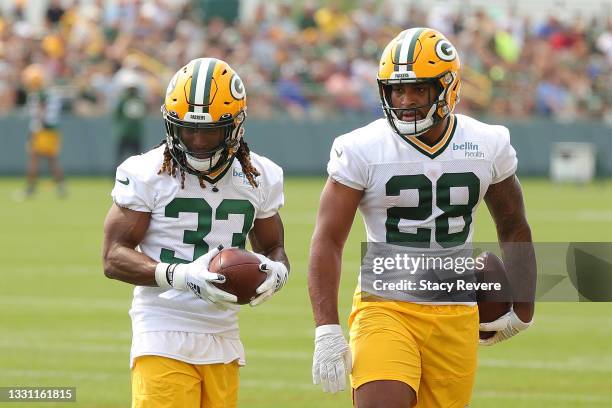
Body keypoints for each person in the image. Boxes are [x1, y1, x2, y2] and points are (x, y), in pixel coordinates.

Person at [308, 27, 536, 407]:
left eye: (419, 88)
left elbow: (513, 224)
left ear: (448, 88)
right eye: (397, 90)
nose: (406, 99)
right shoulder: (361, 148)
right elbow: (328, 239)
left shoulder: (487, 143)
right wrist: (327, 329)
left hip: (456, 314)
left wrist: (523, 311)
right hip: (385, 307)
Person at [102, 57, 289, 408]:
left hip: (223, 334)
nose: (198, 141)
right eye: (188, 129)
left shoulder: (260, 175)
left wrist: (278, 272)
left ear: (235, 126)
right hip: (161, 330)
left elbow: (274, 245)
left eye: (210, 130)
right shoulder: (146, 171)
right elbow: (113, 257)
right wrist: (180, 275)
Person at [19, 63, 66, 199]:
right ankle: (61, 187)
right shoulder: (48, 93)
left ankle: (30, 188)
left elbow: (40, 113)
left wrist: (35, 131)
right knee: (52, 160)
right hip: (51, 130)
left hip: (42, 129)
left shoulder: (40, 94)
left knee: (34, 159)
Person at [113, 81, 147, 168]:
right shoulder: (138, 100)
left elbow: (116, 115)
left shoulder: (125, 100)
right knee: (135, 157)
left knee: (122, 156)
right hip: (130, 133)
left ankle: (116, 174)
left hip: (128, 132)